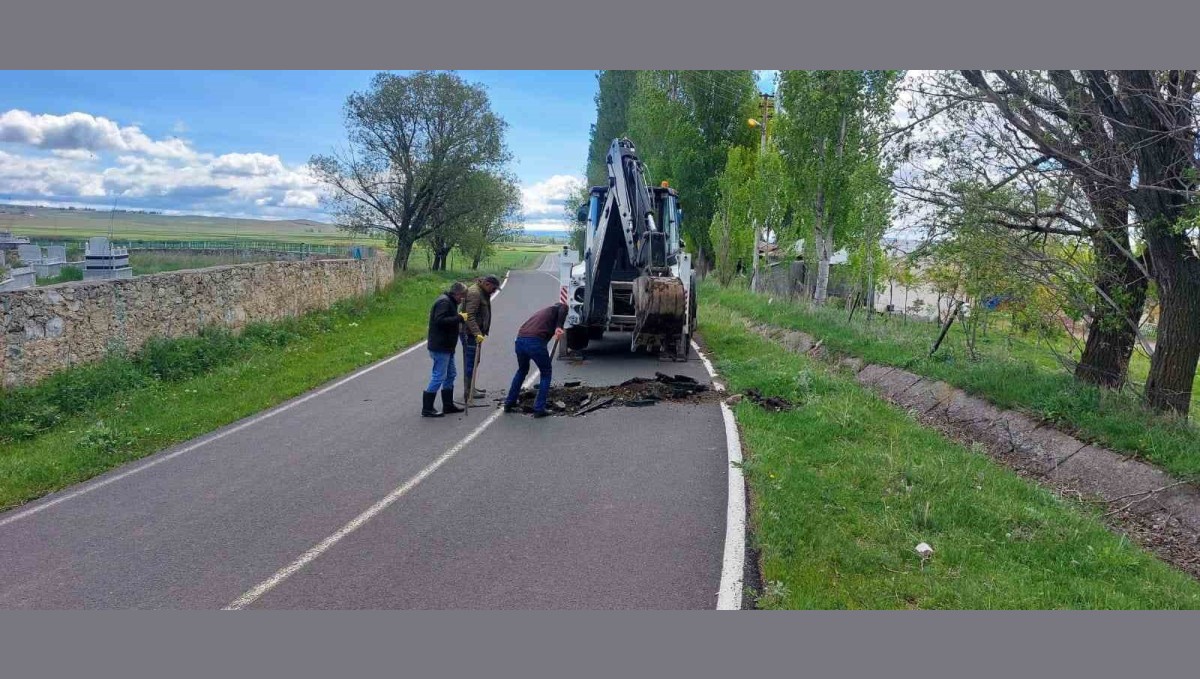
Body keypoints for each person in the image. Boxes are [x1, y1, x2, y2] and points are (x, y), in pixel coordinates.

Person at [503, 303, 567, 419]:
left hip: (520, 340)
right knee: (546, 373)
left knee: (522, 370)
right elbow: (563, 308)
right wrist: (559, 326)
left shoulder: (542, 314)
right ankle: (539, 408)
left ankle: (509, 402)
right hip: (534, 342)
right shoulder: (558, 309)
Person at [423, 281, 468, 418]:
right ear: (457, 293)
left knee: (451, 374)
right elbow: (439, 321)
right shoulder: (444, 302)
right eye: (462, 296)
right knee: (439, 376)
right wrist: (459, 318)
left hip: (447, 346)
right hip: (440, 346)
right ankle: (427, 408)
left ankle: (448, 405)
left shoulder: (450, 301)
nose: (462, 299)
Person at [459, 274, 500, 402]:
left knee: (475, 360)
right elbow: (468, 316)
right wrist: (477, 333)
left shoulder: (482, 292)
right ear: (487, 284)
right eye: (493, 289)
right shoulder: (475, 293)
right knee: (470, 361)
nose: (493, 292)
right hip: (469, 333)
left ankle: (471, 388)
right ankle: (468, 392)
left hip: (475, 334)